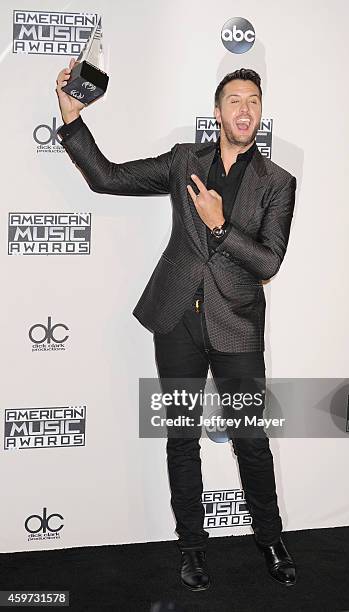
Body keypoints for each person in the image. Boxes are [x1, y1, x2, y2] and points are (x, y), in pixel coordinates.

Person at [55, 61, 297, 591]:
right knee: (181, 439)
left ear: (261, 113)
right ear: (217, 111)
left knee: (251, 441)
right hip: (177, 324)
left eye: (253, 101)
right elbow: (108, 178)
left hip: (236, 329)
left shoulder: (278, 182)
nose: (245, 109)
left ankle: (272, 539)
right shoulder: (185, 160)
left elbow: (268, 262)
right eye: (235, 100)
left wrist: (220, 224)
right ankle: (192, 550)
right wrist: (72, 119)